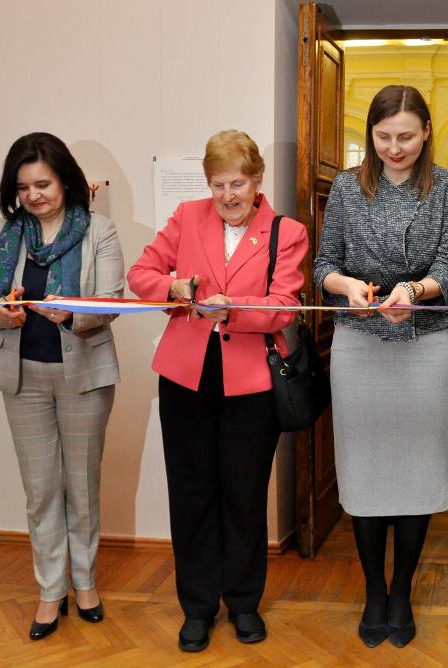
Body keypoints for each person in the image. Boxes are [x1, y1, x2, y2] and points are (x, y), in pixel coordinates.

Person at [127, 130, 308, 652]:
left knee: (244, 496)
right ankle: (198, 607)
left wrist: (233, 311)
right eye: (218, 184)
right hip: (185, 379)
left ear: (257, 181)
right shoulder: (187, 217)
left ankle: (245, 603)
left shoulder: (286, 232)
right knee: (191, 495)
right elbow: (141, 273)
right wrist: (174, 287)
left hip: (252, 385)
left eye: (238, 183)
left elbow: (285, 307)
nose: (228, 195)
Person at [313, 84, 448, 650]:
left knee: (418, 469)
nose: (394, 148)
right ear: (370, 135)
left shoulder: (447, 185)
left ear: (427, 132)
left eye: (406, 136)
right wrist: (348, 287)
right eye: (383, 137)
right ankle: (374, 589)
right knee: (366, 470)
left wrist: (415, 291)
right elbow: (324, 264)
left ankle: (402, 590)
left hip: (424, 343)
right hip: (360, 343)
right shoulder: (347, 187)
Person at [0, 132, 123, 640]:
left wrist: (73, 314)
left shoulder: (99, 230)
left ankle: (85, 583)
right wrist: (2, 314)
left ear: (65, 180)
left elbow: (111, 300)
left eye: (42, 184)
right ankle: (50, 589)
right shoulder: (5, 232)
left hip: (85, 376)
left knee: (81, 487)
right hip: (23, 379)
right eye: (23, 188)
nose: (33, 195)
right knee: (40, 491)